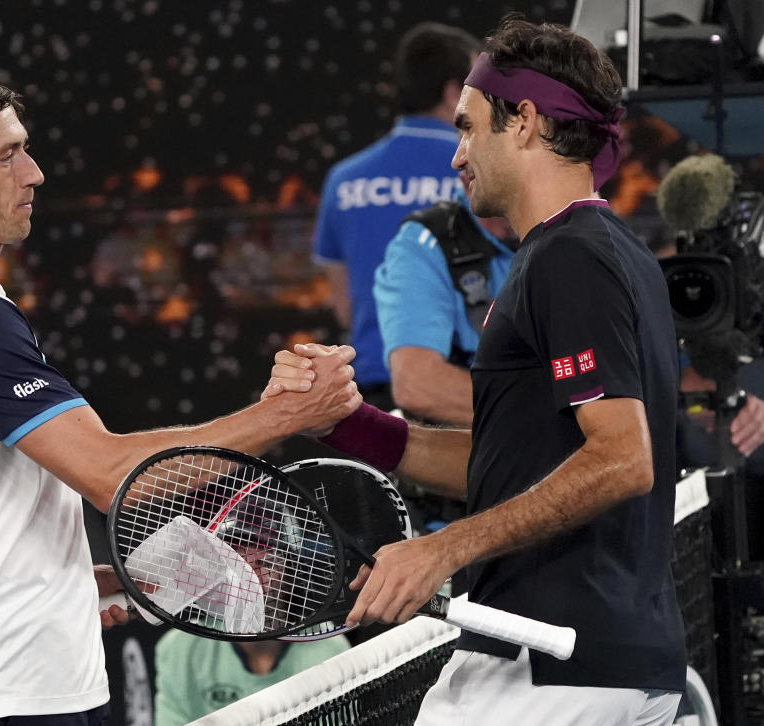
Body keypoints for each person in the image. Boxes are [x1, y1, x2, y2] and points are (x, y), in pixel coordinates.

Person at [0, 68, 360, 726]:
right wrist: (286, 415)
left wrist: (65, 581)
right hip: (10, 695)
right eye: (7, 154)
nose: (34, 172)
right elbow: (111, 473)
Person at [268, 17, 687, 725]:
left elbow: (623, 460)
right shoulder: (598, 250)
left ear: (523, 122)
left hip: (548, 664)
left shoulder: (570, 258)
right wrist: (347, 423)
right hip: (584, 659)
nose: (457, 155)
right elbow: (514, 463)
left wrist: (441, 548)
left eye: (469, 128)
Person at [312, 22, 480, 410]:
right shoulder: (477, 167)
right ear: (454, 92)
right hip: (460, 391)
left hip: (370, 397)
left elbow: (343, 307)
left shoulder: (343, 180)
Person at [374, 186, 515, 426]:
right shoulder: (426, 242)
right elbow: (417, 384)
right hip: (486, 443)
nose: (459, 161)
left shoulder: (584, 228)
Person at [153, 634, 349, 725]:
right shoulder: (179, 649)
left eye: (266, 562)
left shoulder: (332, 652)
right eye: (240, 558)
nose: (253, 577)